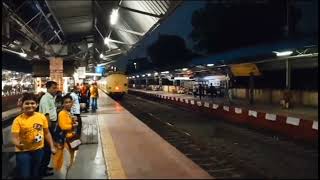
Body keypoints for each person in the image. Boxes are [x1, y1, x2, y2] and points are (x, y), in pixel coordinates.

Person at [11, 93, 56, 179]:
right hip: (23, 152)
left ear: (36, 104)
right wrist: (18, 144)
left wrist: (52, 146)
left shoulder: (41, 117)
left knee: (36, 173)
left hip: (38, 150)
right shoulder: (17, 120)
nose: (30, 105)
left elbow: (47, 133)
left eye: (32, 103)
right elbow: (14, 137)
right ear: (22, 105)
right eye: (27, 103)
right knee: (25, 175)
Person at [39, 81, 58, 177]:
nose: (56, 89)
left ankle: (45, 166)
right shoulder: (45, 98)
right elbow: (46, 114)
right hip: (48, 126)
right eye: (54, 88)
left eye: (56, 87)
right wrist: (49, 130)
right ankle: (42, 170)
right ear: (48, 88)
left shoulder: (51, 98)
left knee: (48, 149)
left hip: (51, 124)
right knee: (47, 148)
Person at [58, 94, 79, 166]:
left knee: (71, 158)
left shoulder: (69, 112)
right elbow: (63, 127)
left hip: (72, 137)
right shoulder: (62, 113)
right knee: (67, 159)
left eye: (69, 102)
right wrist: (73, 125)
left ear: (72, 102)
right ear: (63, 104)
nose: (68, 104)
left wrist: (74, 121)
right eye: (66, 102)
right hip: (66, 139)